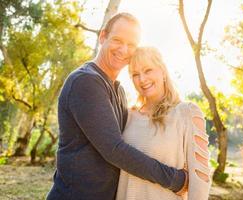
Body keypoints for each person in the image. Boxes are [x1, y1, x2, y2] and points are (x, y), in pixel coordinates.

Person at [47, 13, 188, 200]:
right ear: (102, 37)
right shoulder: (85, 81)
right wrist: (176, 180)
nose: (124, 49)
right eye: (117, 40)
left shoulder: (118, 90)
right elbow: (114, 149)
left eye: (131, 45)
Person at [116, 47, 211, 200]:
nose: (142, 79)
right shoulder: (127, 116)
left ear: (163, 71)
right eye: (135, 74)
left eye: (148, 70)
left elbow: (200, 178)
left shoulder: (187, 113)